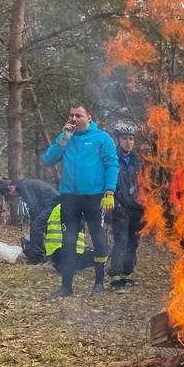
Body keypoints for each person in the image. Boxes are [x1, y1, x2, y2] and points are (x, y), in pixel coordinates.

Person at [42, 104, 119, 296]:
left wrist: (110, 191)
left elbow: (112, 164)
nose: (74, 119)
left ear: (89, 118)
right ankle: (66, 287)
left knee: (98, 239)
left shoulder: (102, 138)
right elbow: (48, 160)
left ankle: (99, 283)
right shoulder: (65, 137)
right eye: (71, 115)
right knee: (68, 241)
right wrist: (63, 140)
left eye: (78, 115)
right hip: (69, 197)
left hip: (95, 197)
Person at [109, 123, 144, 290]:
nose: (128, 142)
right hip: (120, 206)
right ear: (118, 140)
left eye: (131, 139)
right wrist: (114, 201)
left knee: (133, 242)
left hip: (137, 208)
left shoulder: (138, 161)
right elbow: (108, 182)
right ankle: (115, 275)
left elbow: (145, 183)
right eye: (125, 139)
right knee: (121, 241)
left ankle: (126, 273)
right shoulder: (112, 158)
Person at [0, 179, 59, 264]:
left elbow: (33, 206)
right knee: (38, 226)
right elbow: (33, 206)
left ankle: (39, 258)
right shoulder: (23, 186)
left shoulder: (24, 187)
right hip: (50, 203)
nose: (11, 196)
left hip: (53, 203)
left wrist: (33, 222)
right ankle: (46, 253)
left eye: (9, 194)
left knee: (36, 227)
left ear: (10, 188)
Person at [45, 203, 95, 275]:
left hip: (55, 252)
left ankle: (61, 264)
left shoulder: (60, 207)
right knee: (97, 255)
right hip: (64, 251)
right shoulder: (73, 208)